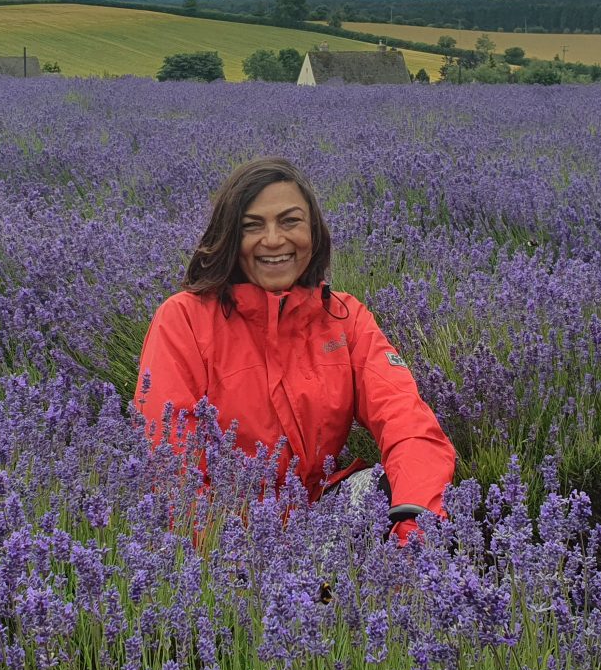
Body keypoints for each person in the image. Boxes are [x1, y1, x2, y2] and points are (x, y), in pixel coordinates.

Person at [133, 157, 456, 543]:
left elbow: (409, 424)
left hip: (321, 512)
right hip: (225, 534)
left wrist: (414, 531)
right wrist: (236, 565)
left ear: (314, 233)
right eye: (253, 226)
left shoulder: (344, 318)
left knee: (403, 497)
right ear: (230, 239)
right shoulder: (183, 320)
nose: (273, 240)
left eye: (290, 221)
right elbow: (171, 466)